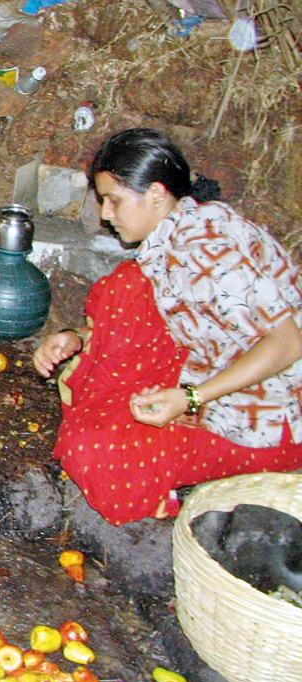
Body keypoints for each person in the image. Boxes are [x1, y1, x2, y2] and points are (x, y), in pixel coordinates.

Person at [33, 128, 302, 524]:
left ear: (156, 194)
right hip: (207, 374)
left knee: (95, 453)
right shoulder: (176, 234)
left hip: (269, 418)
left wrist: (191, 399)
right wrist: (77, 338)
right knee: (127, 289)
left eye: (114, 201)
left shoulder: (209, 252)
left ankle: (185, 505)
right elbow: (143, 326)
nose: (106, 214)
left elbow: (288, 344)